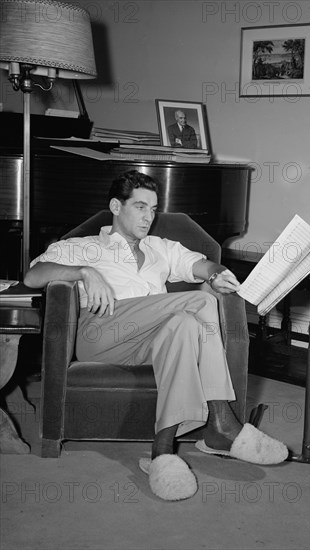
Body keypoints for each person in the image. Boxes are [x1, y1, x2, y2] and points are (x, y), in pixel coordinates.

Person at [24, 170, 288, 501]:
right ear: (116, 207)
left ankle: (162, 452)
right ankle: (222, 422)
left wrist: (219, 274)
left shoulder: (160, 248)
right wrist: (84, 272)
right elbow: (34, 275)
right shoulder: (85, 247)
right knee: (199, 301)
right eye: (140, 207)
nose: (148, 217)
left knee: (185, 326)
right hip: (102, 335)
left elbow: (201, 265)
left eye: (153, 209)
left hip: (150, 342)